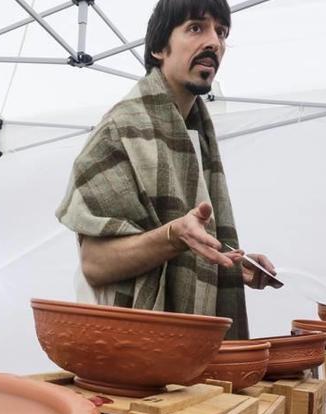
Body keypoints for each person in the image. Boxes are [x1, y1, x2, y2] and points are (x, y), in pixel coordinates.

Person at [56, 0, 278, 339]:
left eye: (221, 32)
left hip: (178, 349)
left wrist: (231, 264)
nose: (214, 42)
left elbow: (190, 238)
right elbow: (95, 264)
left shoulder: (198, 135)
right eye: (196, 28)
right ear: (160, 47)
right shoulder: (119, 131)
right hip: (122, 342)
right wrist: (174, 236)